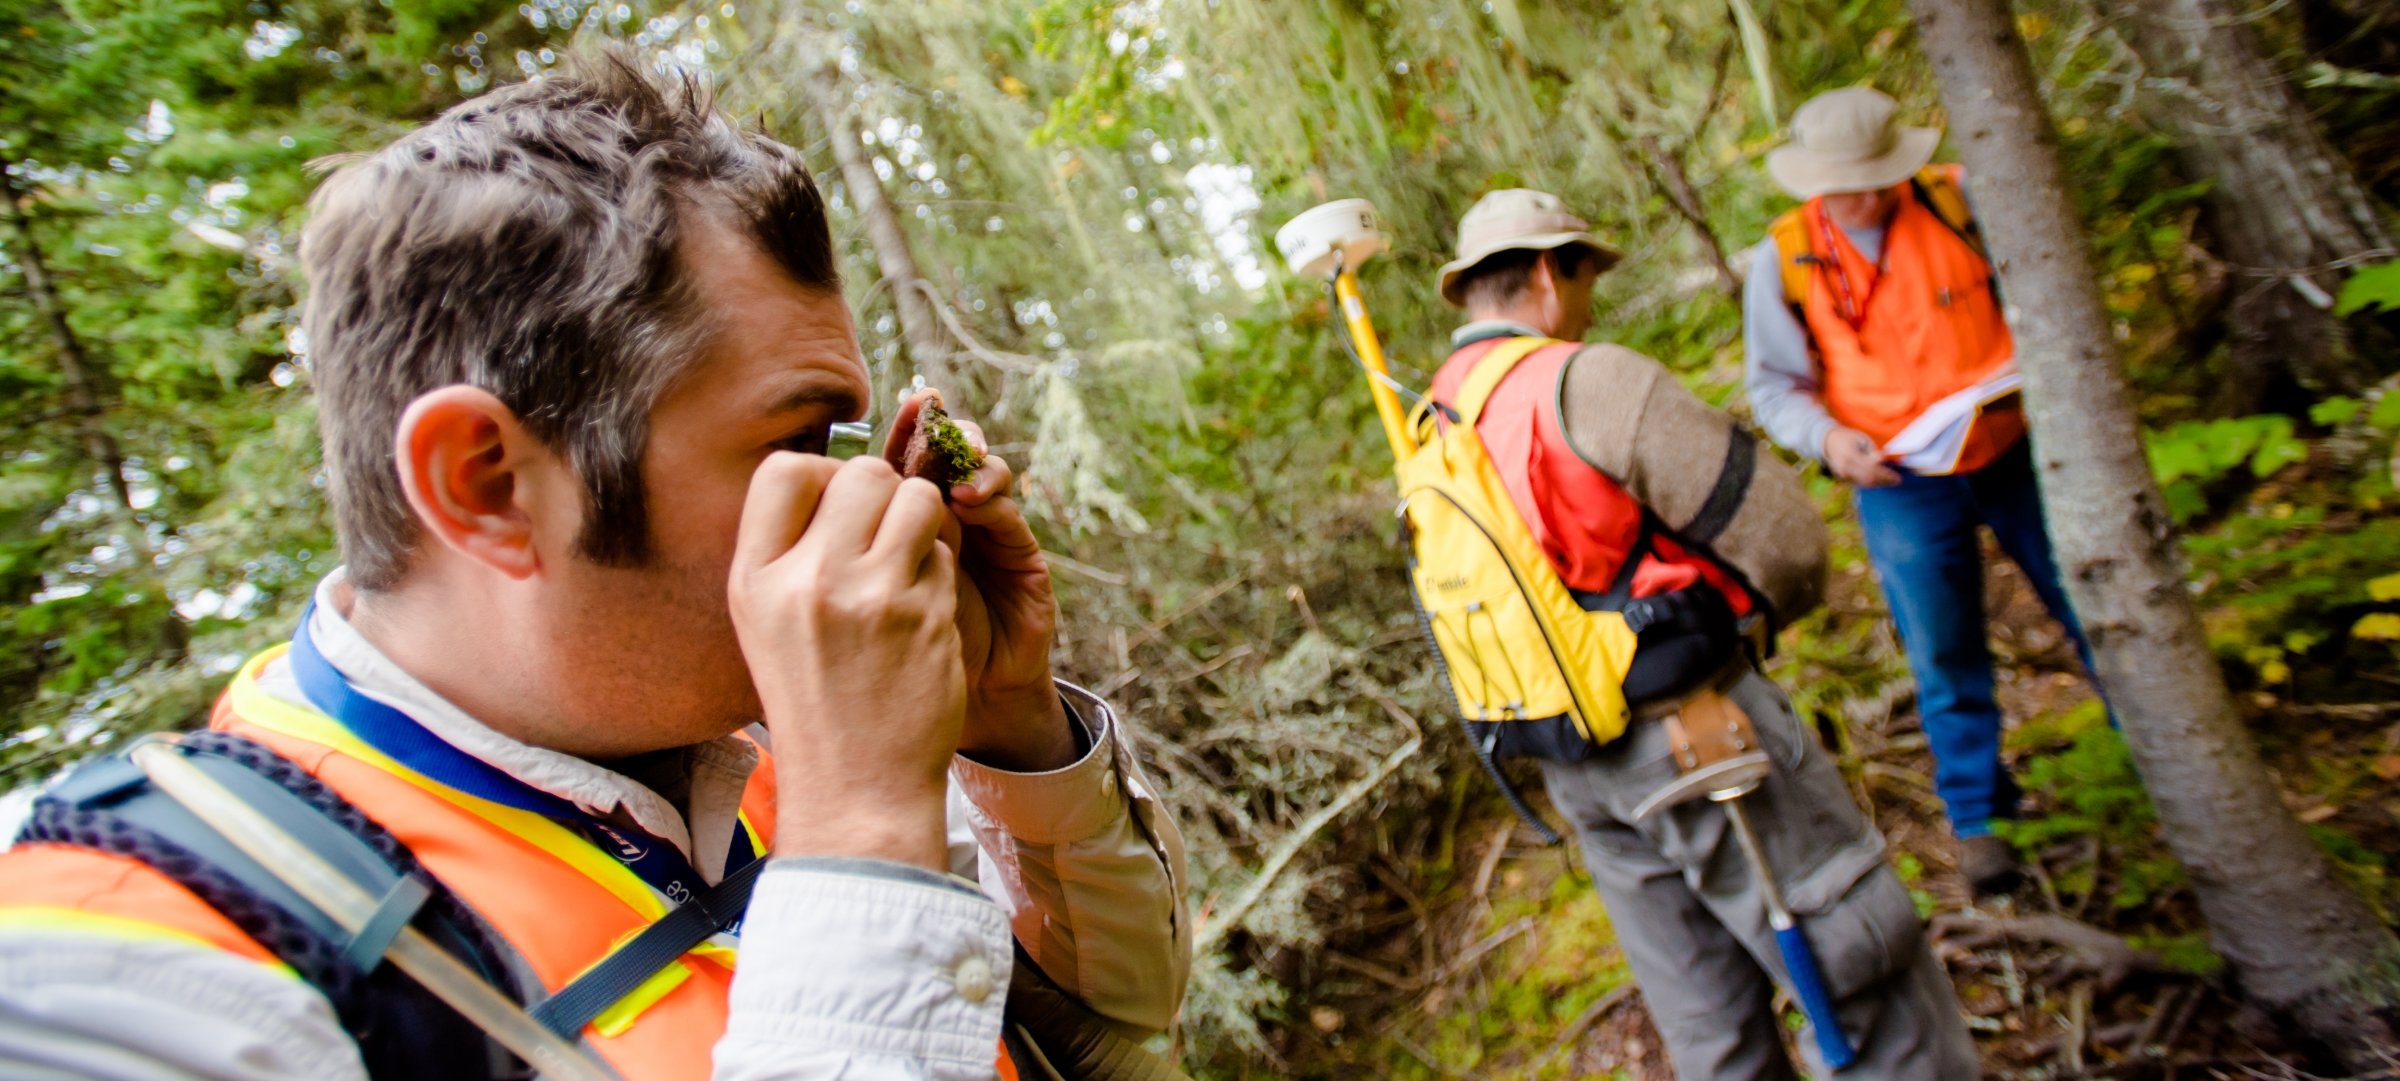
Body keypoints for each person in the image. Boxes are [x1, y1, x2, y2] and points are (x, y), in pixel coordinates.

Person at [0, 54, 1188, 1081]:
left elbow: (1115, 1036)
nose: (874, 506)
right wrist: (867, 830)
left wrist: (1009, 735)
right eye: (792, 444)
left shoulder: (747, 729)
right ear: (489, 483)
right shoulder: (135, 958)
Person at [1431, 188, 1976, 1079]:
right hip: (1703, 739)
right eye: (1583, 275)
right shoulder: (1583, 378)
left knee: (1712, 1031)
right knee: (1865, 979)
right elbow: (1786, 540)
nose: (1590, 301)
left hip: (1579, 774)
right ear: (1543, 270)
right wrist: (1760, 625)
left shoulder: (1436, 419)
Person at [1742, 85, 2101, 894]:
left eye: (1878, 176)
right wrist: (1829, 440)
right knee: (1942, 650)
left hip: (2016, 452)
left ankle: (2155, 752)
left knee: (2095, 600)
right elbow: (1774, 389)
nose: (1866, 196)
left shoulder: (1960, 199)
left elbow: (2047, 298)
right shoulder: (1786, 255)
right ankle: (1981, 819)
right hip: (1900, 481)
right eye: (1846, 183)